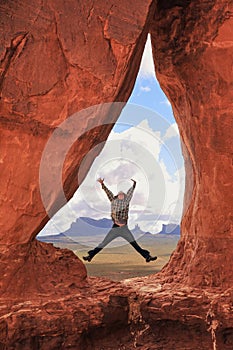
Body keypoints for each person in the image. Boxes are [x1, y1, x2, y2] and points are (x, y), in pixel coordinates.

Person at [83, 178, 157, 263]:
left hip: (124, 228)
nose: (121, 195)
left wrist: (134, 185)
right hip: (115, 228)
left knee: (135, 244)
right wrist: (102, 184)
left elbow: (130, 194)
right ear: (117, 196)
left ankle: (147, 257)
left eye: (123, 194)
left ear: (124, 196)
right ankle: (90, 256)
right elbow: (108, 193)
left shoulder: (126, 201)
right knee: (103, 243)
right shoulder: (113, 201)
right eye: (119, 194)